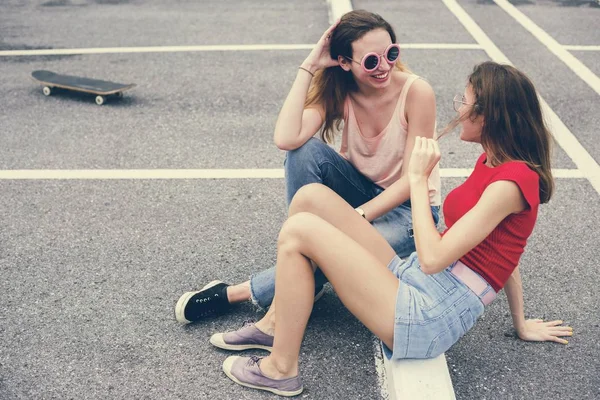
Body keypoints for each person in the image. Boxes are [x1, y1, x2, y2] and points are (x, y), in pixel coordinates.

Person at [214, 61, 573, 397]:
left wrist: (417, 179)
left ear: (488, 115)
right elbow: (506, 249)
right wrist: (520, 322)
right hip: (417, 279)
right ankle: (278, 319)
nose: (458, 110)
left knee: (300, 232)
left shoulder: (510, 183)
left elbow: (433, 259)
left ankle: (280, 369)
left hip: (429, 313)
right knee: (311, 199)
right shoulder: (493, 161)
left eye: (463, 102)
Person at [174, 10, 442, 330]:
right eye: (371, 61)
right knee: (302, 152)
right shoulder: (341, 90)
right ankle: (305, 265)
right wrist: (309, 66)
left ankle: (236, 293)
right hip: (359, 190)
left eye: (392, 53)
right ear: (345, 63)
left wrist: (355, 219)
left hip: (410, 212)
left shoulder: (416, 92)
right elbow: (286, 138)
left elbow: (414, 180)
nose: (385, 66)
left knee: (338, 247)